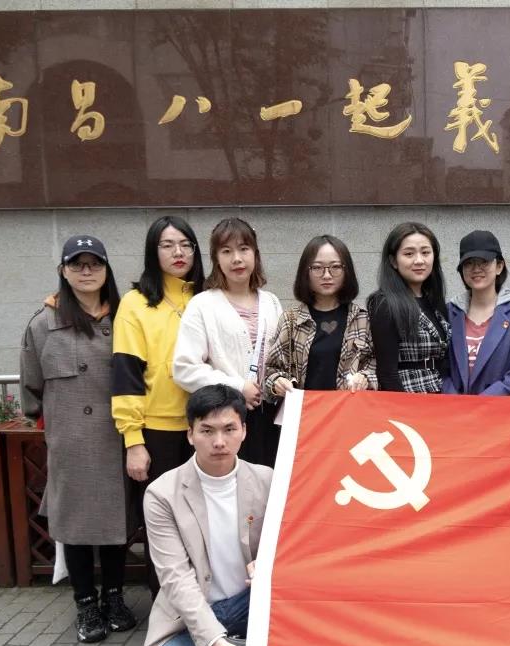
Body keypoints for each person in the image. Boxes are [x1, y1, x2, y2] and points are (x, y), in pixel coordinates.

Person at [140, 384, 304, 646]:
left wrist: (270, 562)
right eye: (207, 430)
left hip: (248, 601)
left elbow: (294, 543)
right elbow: (175, 579)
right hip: (189, 613)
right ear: (190, 434)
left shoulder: (267, 480)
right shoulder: (161, 494)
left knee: (302, 592)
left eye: (229, 429)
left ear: (244, 431)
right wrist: (216, 641)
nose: (219, 441)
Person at [20, 235, 137, 643]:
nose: (86, 272)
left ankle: (115, 598)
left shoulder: (124, 317)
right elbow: (31, 389)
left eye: (95, 264)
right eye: (77, 264)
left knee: (116, 525)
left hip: (116, 438)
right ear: (63, 271)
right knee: (75, 528)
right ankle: (86, 604)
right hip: (69, 442)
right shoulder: (42, 324)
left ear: (106, 270)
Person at [112, 215, 205, 596]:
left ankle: (207, 606)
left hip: (207, 429)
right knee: (163, 525)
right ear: (153, 253)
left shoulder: (206, 298)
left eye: (185, 244)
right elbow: (126, 374)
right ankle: (167, 607)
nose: (177, 252)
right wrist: (133, 440)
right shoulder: (135, 304)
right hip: (158, 432)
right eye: (167, 245)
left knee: (206, 522)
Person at [173, 218, 283, 466]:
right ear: (216, 259)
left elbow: (282, 357)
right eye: (226, 251)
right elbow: (184, 369)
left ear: (255, 254)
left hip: (271, 416)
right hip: (225, 419)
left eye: (244, 249)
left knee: (269, 482)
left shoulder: (271, 302)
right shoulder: (202, 305)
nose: (237, 259)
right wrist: (237, 386)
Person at [263, 234, 377, 397]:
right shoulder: (291, 320)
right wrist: (277, 383)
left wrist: (365, 377)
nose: (327, 275)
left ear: (347, 271)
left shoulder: (363, 319)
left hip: (349, 408)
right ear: (306, 272)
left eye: (335, 267)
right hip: (305, 409)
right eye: (317, 268)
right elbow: (271, 371)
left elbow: (376, 366)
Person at [444, 230, 510, 395]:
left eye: (484, 262)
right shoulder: (449, 312)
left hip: (499, 408)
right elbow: (439, 369)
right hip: (454, 408)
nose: (476, 269)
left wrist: (480, 404)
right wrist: (456, 402)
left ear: (499, 266)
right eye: (469, 263)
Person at [367, 221, 450, 393]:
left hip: (443, 395)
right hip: (409, 397)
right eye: (409, 254)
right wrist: (404, 406)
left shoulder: (435, 301)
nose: (419, 260)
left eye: (425, 252)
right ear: (393, 261)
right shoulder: (384, 304)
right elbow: (387, 373)